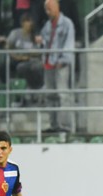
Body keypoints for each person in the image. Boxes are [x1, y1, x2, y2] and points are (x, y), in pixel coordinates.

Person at [36, 0, 75, 132]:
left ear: (57, 7)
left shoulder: (67, 23)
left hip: (61, 64)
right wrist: (40, 41)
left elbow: (69, 43)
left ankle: (65, 125)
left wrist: (64, 59)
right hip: (49, 64)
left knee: (62, 94)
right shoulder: (47, 25)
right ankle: (53, 125)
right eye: (46, 9)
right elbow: (45, 43)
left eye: (50, 8)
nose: (48, 12)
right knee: (50, 95)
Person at [5, 13, 45, 91]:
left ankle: (39, 85)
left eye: (31, 21)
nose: (31, 23)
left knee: (37, 66)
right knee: (20, 67)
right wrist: (17, 57)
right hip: (16, 59)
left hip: (32, 60)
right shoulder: (15, 33)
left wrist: (30, 54)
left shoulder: (35, 36)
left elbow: (39, 52)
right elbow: (7, 47)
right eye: (28, 21)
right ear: (23, 23)